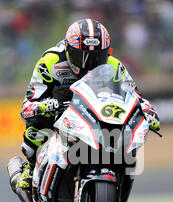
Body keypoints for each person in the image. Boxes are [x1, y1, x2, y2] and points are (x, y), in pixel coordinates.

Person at [15, 19, 160, 190]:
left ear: (107, 53)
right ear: (68, 49)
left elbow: (136, 97)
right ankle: (31, 170)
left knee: (124, 136)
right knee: (36, 130)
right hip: (58, 115)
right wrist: (46, 106)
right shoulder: (50, 62)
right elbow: (26, 108)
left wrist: (148, 111)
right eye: (80, 56)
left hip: (95, 115)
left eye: (96, 57)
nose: (88, 65)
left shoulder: (115, 66)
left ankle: (119, 179)